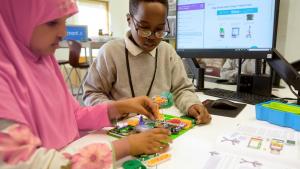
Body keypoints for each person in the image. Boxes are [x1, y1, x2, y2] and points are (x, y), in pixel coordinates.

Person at [0, 0, 172, 168]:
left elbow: (73, 115)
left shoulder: (43, 59)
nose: (63, 32)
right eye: (52, 22)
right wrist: (125, 147)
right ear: (18, 18)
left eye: (64, 21)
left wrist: (119, 107)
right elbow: (28, 163)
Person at [83, 0, 211, 125]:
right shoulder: (110, 52)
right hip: (122, 128)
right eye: (144, 28)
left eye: (159, 29)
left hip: (159, 125)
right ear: (129, 20)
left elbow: (182, 89)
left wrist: (191, 104)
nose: (152, 37)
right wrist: (118, 108)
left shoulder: (168, 52)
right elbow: (92, 94)